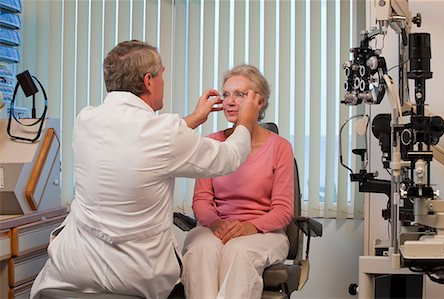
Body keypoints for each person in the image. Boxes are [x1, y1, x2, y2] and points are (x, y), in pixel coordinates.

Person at [30, 41, 262, 299]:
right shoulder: (163, 133)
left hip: (72, 270)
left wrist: (193, 119)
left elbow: (139, 141)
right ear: (149, 80)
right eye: (162, 74)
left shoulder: (86, 120)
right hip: (137, 274)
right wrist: (245, 121)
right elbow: (228, 158)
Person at [181, 64, 294, 299]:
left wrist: (249, 226)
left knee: (238, 251)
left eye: (240, 95)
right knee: (201, 249)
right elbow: (201, 200)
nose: (230, 102)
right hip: (216, 228)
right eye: (226, 94)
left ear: (259, 103)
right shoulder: (212, 142)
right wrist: (216, 224)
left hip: (263, 233)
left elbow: (283, 210)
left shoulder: (280, 147)